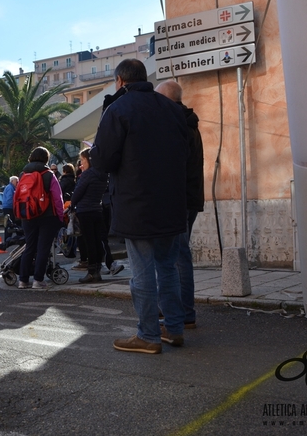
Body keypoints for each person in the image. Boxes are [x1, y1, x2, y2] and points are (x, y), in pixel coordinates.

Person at [91, 59, 188, 355]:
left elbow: (102, 160)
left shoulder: (118, 110)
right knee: (168, 268)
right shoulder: (172, 109)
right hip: (172, 202)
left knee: (143, 271)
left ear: (120, 81)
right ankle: (173, 328)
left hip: (137, 203)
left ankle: (148, 335)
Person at [156, 80, 204, 329]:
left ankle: (184, 312)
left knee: (178, 256)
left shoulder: (177, 125)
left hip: (179, 198)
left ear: (167, 100)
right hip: (190, 197)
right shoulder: (189, 122)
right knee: (177, 255)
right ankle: (179, 309)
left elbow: (173, 165)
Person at [16, 147, 64, 290]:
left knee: (29, 247)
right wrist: (60, 216)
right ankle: (38, 280)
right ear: (46, 159)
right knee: (43, 248)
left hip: (28, 215)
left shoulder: (22, 174)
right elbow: (57, 197)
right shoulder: (49, 174)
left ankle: (23, 280)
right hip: (47, 216)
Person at [70, 148, 109, 284]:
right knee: (98, 241)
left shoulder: (87, 175)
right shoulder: (103, 174)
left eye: (83, 160)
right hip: (97, 210)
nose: (81, 164)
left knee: (89, 242)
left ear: (89, 160)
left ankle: (91, 272)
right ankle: (97, 269)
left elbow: (78, 192)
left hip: (85, 210)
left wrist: (71, 204)